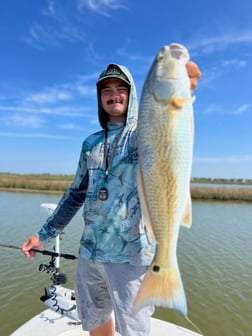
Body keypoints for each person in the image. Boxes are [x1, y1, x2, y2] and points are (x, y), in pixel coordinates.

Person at [22, 61, 201, 336]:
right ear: (99, 97)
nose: (114, 94)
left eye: (121, 88)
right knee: (94, 321)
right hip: (89, 253)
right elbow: (74, 196)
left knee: (133, 329)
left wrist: (177, 98)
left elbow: (168, 137)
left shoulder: (143, 134)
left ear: (131, 95)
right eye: (107, 89)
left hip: (132, 257)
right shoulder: (90, 144)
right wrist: (42, 235)